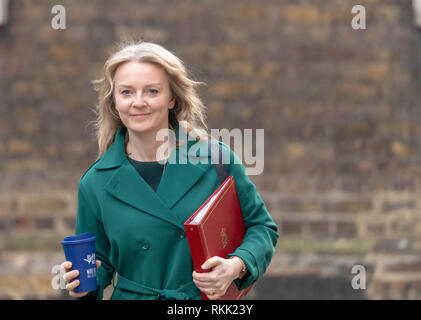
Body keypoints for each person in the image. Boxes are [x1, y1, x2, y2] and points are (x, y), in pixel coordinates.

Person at [60, 41, 279, 300]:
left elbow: (262, 228)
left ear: (172, 98)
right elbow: (99, 263)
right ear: (114, 102)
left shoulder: (216, 159)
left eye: (152, 91)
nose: (138, 102)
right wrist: (82, 284)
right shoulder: (95, 182)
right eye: (126, 92)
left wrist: (235, 266)